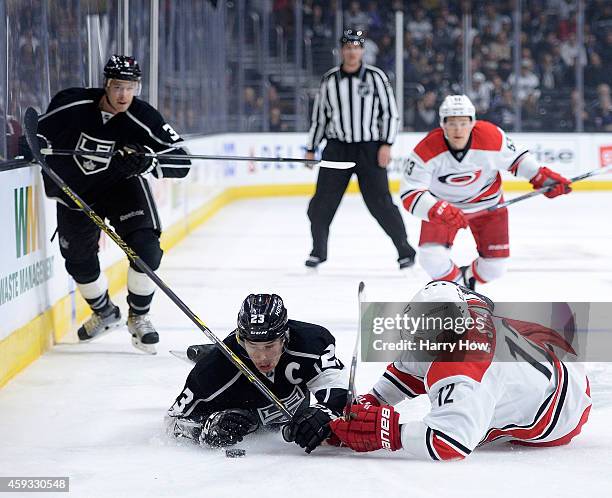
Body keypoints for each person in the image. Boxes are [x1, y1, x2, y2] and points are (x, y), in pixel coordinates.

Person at [21, 55, 191, 353]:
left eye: (130, 87)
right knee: (78, 261)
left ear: (137, 87)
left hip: (121, 188)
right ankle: (104, 313)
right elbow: (38, 133)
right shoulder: (73, 104)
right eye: (117, 86)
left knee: (147, 251)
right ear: (105, 85)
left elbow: (182, 161)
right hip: (75, 192)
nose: (123, 95)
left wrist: (148, 161)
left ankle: (139, 317)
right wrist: (29, 144)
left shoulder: (144, 117)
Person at [329, 281, 592, 460]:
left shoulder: (461, 372)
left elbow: (450, 443)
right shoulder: (467, 305)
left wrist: (389, 431)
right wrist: (372, 400)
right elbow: (410, 368)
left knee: (474, 413)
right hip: (555, 354)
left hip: (564, 413)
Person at [399, 94, 572, 289]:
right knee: (431, 259)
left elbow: (519, 161)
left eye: (464, 123)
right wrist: (438, 209)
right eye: (452, 123)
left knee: (495, 268)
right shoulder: (426, 149)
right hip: (444, 209)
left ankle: (466, 282)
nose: (458, 129)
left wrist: (543, 178)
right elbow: (409, 193)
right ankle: (458, 289)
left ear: (473, 122)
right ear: (442, 124)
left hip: (489, 206)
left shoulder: (492, 137)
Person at [165, 293, 348, 453]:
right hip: (243, 410)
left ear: (284, 337)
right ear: (241, 340)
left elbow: (340, 393)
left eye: (270, 346)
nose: (262, 357)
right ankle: (212, 350)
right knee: (220, 359)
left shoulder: (311, 343)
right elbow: (172, 423)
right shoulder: (214, 370)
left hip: (290, 411)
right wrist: (206, 430)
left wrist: (324, 412)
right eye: (253, 346)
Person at [304, 29, 416, 270]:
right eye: (347, 47)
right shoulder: (329, 80)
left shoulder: (376, 77)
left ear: (362, 50)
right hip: (336, 149)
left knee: (381, 203)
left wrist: (386, 144)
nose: (352, 51)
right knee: (321, 203)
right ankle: (318, 251)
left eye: (356, 47)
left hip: (369, 149)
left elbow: (390, 114)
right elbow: (320, 118)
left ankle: (405, 251)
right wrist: (312, 148)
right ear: (341, 51)